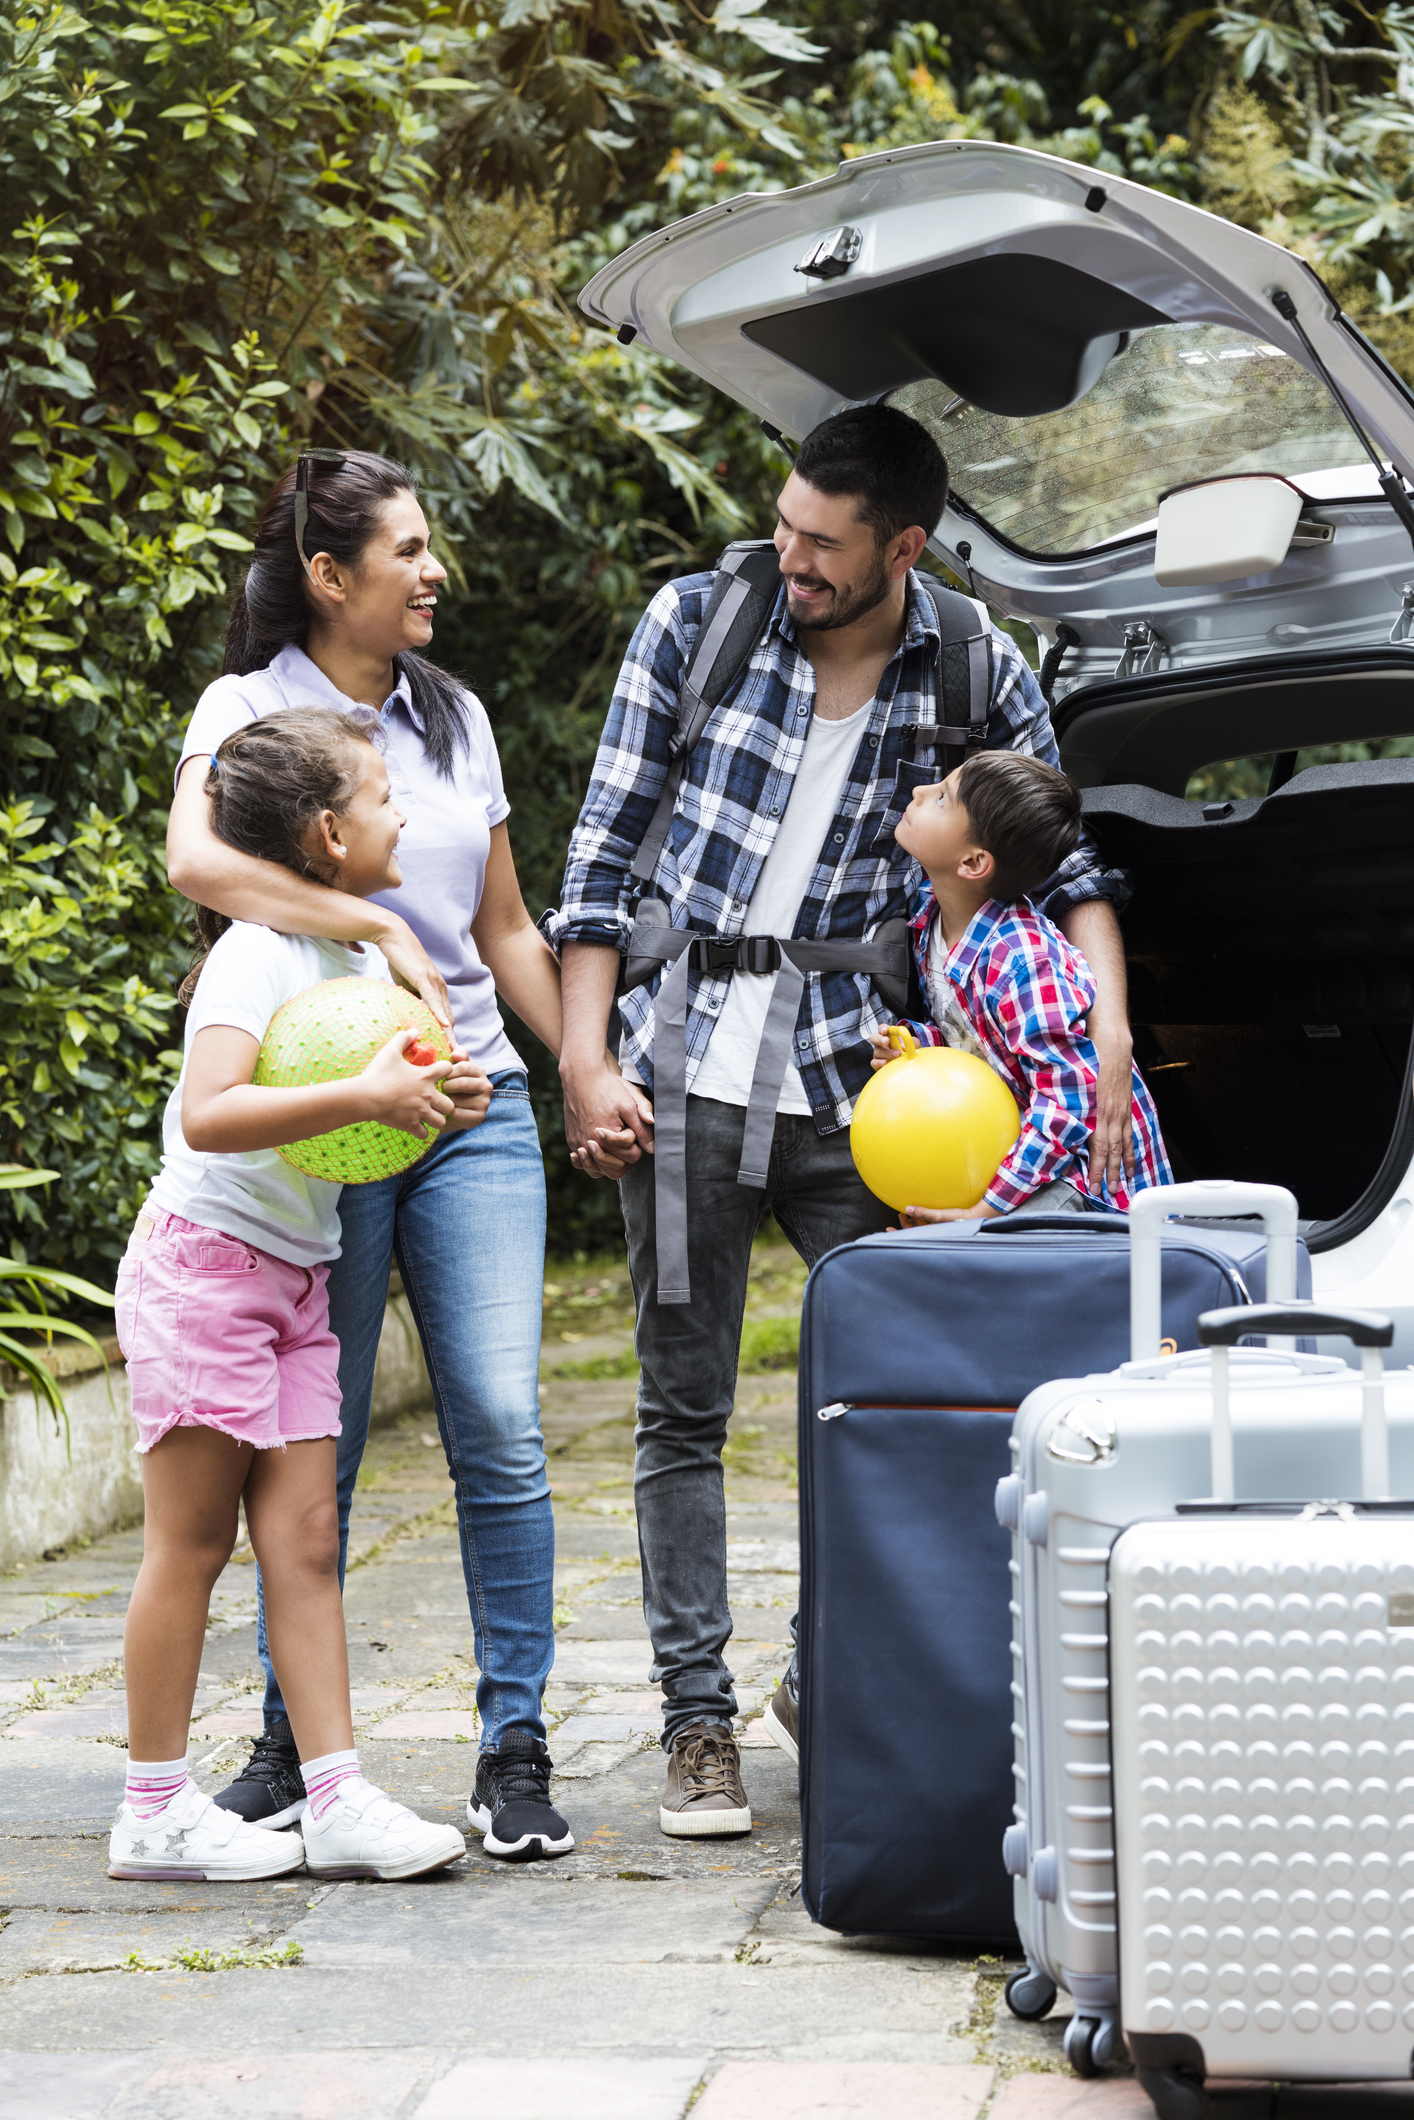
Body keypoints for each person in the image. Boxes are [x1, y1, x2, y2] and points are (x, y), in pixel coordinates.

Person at [549, 404, 1136, 1832]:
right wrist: (582, 1056)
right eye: (785, 527)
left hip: (870, 1089)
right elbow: (603, 848)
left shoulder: (976, 660)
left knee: (872, 1404)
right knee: (681, 1405)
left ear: (903, 547)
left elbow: (1065, 856)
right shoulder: (697, 621)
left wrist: (1110, 1028)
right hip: (680, 1062)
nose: (790, 557)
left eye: (823, 542)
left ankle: (830, 1681)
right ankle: (696, 1722)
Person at [167, 450, 575, 1863]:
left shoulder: (455, 718)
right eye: (406, 551)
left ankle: (514, 1745)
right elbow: (198, 866)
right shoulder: (247, 707)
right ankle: (296, 1749)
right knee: (308, 1454)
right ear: (330, 575)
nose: (433, 572)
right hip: (326, 1121)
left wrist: (583, 1060)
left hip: (468, 1107)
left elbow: (510, 926)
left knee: (503, 1429)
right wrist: (378, 932)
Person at [112, 709, 469, 1883]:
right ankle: (154, 1806)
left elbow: (349, 1126)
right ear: (327, 832)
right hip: (207, 1266)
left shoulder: (362, 958)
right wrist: (366, 1094)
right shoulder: (255, 950)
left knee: (307, 1541)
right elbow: (210, 1112)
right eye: (380, 797)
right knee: (194, 1540)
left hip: (296, 1274)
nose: (400, 813)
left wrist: (424, 1100)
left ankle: (333, 1793)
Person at [870, 751, 1171, 1221]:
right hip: (1031, 1160)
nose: (919, 792)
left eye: (943, 798)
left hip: (1088, 1185)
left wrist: (987, 1210)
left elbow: (1069, 1095)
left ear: (972, 862)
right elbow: (981, 1038)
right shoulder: (932, 919)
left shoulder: (1023, 959)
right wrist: (919, 1045)